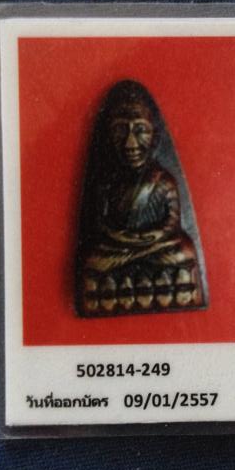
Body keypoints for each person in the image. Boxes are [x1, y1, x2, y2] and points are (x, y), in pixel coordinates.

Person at [76, 81, 204, 316]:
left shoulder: (163, 181)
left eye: (140, 130)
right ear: (109, 136)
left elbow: (172, 222)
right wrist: (123, 237)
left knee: (183, 251)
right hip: (119, 248)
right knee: (93, 260)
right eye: (120, 130)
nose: (131, 143)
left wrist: (153, 236)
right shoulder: (107, 182)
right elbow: (100, 224)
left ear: (154, 135)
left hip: (157, 245)